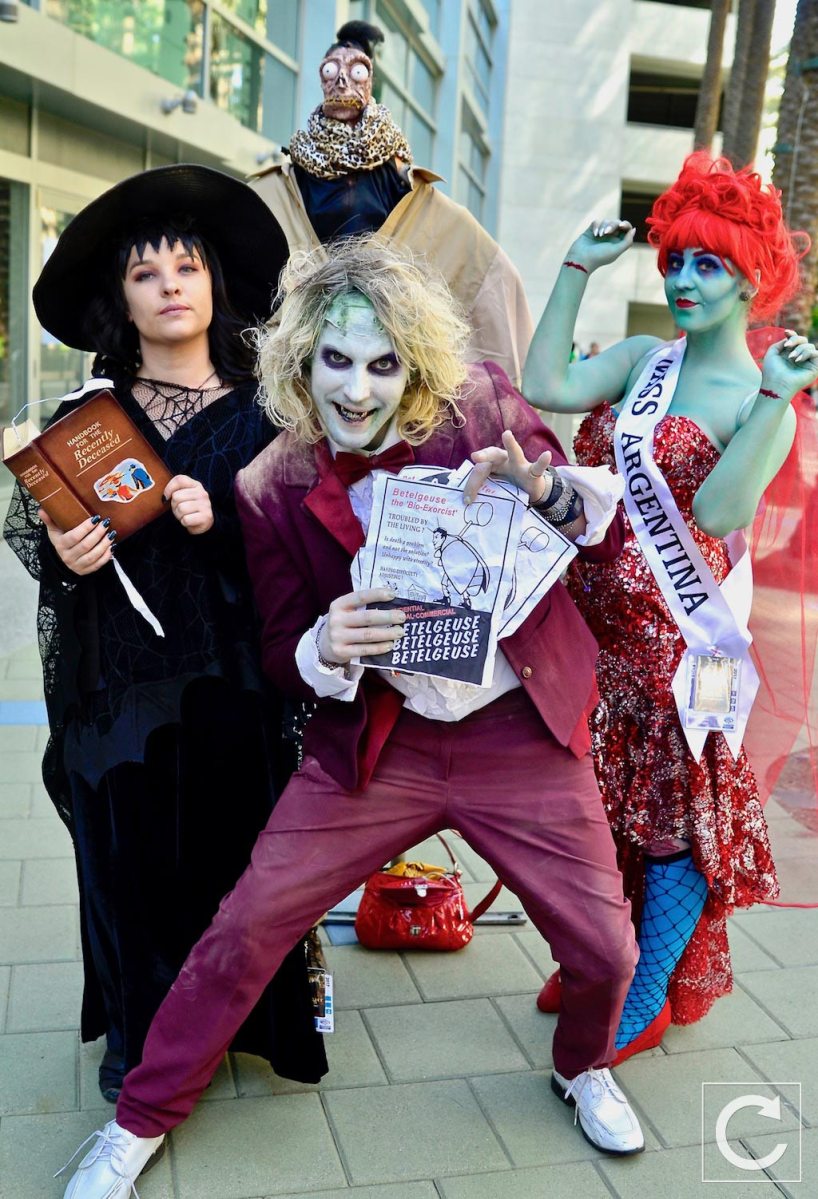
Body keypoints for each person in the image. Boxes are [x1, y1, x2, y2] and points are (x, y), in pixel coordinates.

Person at [59, 237, 647, 1199]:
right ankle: (139, 1120)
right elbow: (279, 649)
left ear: (415, 360)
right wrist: (325, 647)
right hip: (378, 745)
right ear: (302, 360)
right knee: (248, 923)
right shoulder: (271, 482)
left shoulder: (486, 405)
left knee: (605, 946)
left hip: (515, 727)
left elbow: (593, 525)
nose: (360, 389)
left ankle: (584, 1065)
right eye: (338, 360)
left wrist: (537, 485)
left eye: (383, 363)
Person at [4, 164, 328, 1104]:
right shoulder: (85, 421)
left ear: (216, 282)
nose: (171, 285)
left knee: (237, 864)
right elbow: (50, 552)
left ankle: (239, 1025)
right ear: (122, 298)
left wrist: (218, 520)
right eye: (146, 274)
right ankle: (142, 1043)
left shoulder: (272, 413)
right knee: (124, 863)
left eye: (186, 266)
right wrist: (67, 546)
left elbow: (303, 548)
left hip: (233, 683)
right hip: (117, 682)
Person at [522, 152, 818, 1061]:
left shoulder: (765, 396)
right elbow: (547, 386)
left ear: (753, 277)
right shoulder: (647, 360)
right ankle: (596, 963)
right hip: (596, 637)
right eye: (677, 261)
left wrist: (776, 400)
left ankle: (645, 988)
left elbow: (723, 511)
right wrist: (575, 268)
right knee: (601, 813)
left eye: (710, 265)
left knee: (677, 817)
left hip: (686, 647)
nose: (685, 281)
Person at [251, 20, 532, 385]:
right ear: (322, 77)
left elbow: (476, 264)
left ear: (369, 80)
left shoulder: (393, 173)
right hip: (302, 362)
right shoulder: (288, 179)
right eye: (332, 70)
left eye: (356, 70)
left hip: (382, 356)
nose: (342, 82)